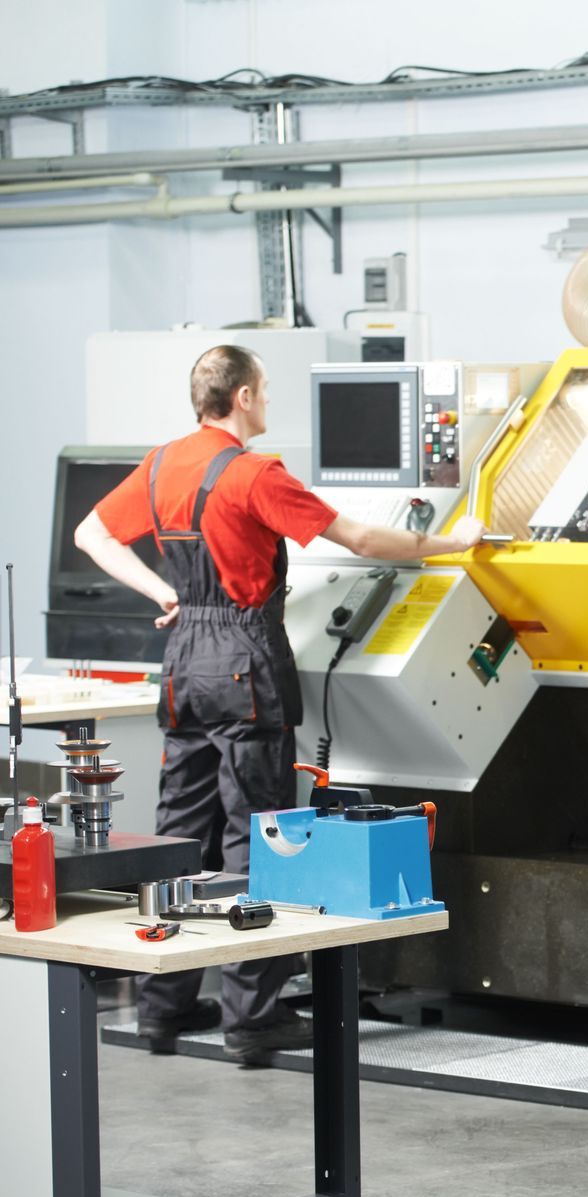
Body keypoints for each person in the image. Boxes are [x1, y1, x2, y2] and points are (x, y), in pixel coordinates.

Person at [74, 344, 487, 1065]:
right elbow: (359, 537)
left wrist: (164, 593)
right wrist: (455, 542)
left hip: (184, 666)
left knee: (179, 832)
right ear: (239, 398)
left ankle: (162, 1009)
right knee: (255, 834)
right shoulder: (255, 475)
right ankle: (251, 1016)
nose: (268, 401)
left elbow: (91, 533)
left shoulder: (162, 463)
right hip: (244, 663)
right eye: (263, 389)